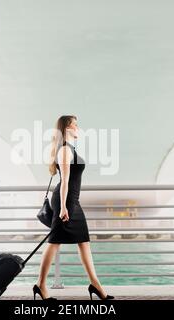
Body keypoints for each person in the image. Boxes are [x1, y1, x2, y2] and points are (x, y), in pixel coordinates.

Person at [33, 115, 114, 300]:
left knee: (83, 241)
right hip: (66, 202)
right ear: (67, 128)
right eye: (75, 125)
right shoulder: (64, 151)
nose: (78, 128)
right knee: (54, 242)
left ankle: (95, 285)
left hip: (72, 202)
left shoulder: (70, 149)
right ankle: (41, 285)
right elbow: (65, 182)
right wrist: (63, 207)